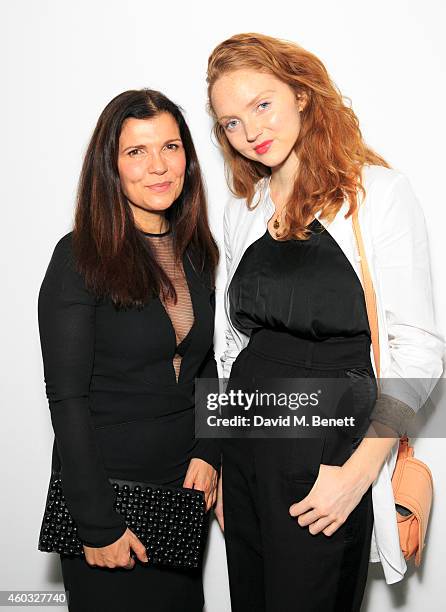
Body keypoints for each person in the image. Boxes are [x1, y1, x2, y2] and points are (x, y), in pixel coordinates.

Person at [206, 33, 444, 611]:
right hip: (245, 450)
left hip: (326, 453)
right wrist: (219, 452)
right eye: (231, 122)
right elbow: (230, 346)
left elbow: (417, 352)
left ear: (303, 94)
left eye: (262, 104)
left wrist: (355, 475)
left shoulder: (379, 196)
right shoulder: (244, 207)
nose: (251, 131)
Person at [38, 88, 220, 612]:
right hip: (107, 494)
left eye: (170, 146)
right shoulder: (79, 256)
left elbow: (209, 366)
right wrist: (98, 524)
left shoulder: (199, 252)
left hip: (181, 494)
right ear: (110, 168)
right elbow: (67, 400)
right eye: (136, 152)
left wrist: (209, 452)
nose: (158, 166)